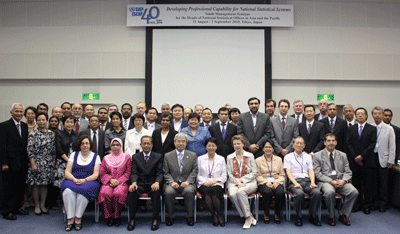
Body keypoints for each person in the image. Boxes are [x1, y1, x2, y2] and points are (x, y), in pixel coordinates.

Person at [313, 133, 358, 226]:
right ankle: (331, 216)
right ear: (324, 143)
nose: (331, 143)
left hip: (341, 181)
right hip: (326, 181)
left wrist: (344, 181)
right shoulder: (317, 155)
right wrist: (330, 181)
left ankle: (343, 214)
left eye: (333, 141)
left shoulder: (343, 155)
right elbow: (317, 174)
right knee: (330, 192)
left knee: (354, 192)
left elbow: (348, 172)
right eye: (329, 141)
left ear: (336, 142)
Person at [61, 135, 101, 231]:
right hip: (73, 180)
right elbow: (67, 172)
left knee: (83, 191)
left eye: (87, 143)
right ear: (79, 145)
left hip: (89, 181)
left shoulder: (96, 156)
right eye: (82, 143)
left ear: (90, 145)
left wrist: (84, 180)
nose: (85, 145)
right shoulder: (74, 155)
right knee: (67, 191)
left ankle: (78, 218)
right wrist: (74, 179)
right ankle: (70, 219)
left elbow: (96, 175)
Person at [0, 103, 30, 220]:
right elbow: (2, 146)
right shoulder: (4, 126)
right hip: (9, 163)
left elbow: (25, 145)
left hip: (22, 163)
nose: (19, 114)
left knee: (20, 187)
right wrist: (3, 163)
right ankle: (7, 211)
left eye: (21, 112)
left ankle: (17, 207)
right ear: (11, 112)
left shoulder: (24, 126)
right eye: (16, 111)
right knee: (9, 188)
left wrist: (27, 161)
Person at [284, 136, 321, 226]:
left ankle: (312, 216)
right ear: (293, 145)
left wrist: (312, 182)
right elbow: (288, 172)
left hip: (307, 181)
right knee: (299, 194)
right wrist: (295, 183)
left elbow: (311, 170)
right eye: (297, 143)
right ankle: (299, 216)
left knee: (317, 192)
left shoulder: (308, 157)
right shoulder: (288, 157)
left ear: (304, 145)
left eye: (301, 143)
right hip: (294, 182)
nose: (299, 145)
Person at [128, 136, 163, 231]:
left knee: (156, 191)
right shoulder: (135, 157)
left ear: (152, 145)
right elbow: (134, 172)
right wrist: (134, 182)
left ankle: (155, 219)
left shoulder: (158, 156)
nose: (146, 145)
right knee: (132, 191)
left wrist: (156, 182)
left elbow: (160, 172)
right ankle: (132, 219)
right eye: (144, 143)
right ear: (140, 145)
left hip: (152, 183)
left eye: (148, 143)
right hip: (140, 183)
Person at [163, 133, 198, 226]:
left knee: (189, 191)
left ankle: (190, 216)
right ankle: (170, 216)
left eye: (183, 141)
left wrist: (188, 182)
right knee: (168, 192)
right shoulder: (167, 155)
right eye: (179, 141)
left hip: (187, 183)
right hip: (172, 183)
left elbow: (195, 171)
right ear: (174, 143)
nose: (181, 143)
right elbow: (165, 172)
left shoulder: (192, 155)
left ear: (186, 143)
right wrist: (171, 182)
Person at [346, 107, 376, 214]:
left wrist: (362, 156)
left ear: (366, 116)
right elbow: (348, 144)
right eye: (358, 114)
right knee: (356, 184)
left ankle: (367, 205)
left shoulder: (372, 129)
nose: (360, 116)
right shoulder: (351, 128)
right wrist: (355, 157)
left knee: (368, 185)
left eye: (362, 114)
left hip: (367, 161)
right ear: (355, 116)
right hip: (354, 161)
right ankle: (357, 204)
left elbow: (372, 144)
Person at [26, 112, 56, 215]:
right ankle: (37, 206)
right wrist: (33, 164)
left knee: (45, 185)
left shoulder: (50, 133)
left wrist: (53, 161)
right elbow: (29, 150)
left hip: (47, 162)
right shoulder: (32, 133)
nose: (41, 122)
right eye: (39, 120)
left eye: (43, 120)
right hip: (36, 162)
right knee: (36, 185)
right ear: (36, 121)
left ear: (46, 121)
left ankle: (43, 205)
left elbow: (53, 149)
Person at [98, 138, 131, 227]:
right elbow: (102, 172)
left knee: (118, 193)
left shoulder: (127, 157)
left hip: (122, 182)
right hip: (109, 182)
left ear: (121, 146)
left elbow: (128, 173)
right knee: (105, 192)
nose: (115, 147)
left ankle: (117, 217)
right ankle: (108, 217)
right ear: (110, 146)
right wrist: (111, 180)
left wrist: (118, 181)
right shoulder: (106, 158)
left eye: (117, 145)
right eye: (113, 145)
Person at [226, 135, 257, 229]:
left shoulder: (250, 156)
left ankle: (247, 218)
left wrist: (242, 180)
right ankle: (249, 215)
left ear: (243, 144)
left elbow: (254, 172)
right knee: (232, 194)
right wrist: (238, 182)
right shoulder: (229, 157)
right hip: (234, 181)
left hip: (249, 181)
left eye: (239, 143)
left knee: (240, 192)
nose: (237, 146)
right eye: (235, 144)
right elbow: (229, 173)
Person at [197, 138, 227, 227]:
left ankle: (219, 215)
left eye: (213, 145)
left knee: (215, 192)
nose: (211, 147)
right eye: (209, 145)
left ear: (216, 147)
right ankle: (214, 216)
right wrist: (205, 182)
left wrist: (215, 181)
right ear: (205, 147)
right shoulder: (200, 159)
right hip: (203, 183)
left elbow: (224, 175)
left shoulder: (221, 159)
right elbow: (197, 174)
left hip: (217, 182)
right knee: (206, 192)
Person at [255, 139, 285, 224]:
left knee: (280, 192)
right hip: (263, 182)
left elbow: (282, 174)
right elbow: (257, 175)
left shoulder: (279, 159)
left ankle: (277, 213)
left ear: (273, 149)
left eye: (270, 147)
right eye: (266, 147)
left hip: (276, 181)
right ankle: (266, 213)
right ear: (263, 149)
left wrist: (277, 182)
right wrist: (265, 182)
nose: (268, 149)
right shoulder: (258, 160)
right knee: (267, 192)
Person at [371, 106, 395, 212]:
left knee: (383, 183)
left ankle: (383, 203)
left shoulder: (389, 129)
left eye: (379, 113)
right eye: (375, 113)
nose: (377, 115)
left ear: (382, 115)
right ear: (372, 115)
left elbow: (392, 146)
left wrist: (391, 160)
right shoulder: (370, 127)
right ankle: (375, 202)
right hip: (372, 157)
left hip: (384, 159)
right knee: (373, 182)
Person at [54, 115, 79, 189]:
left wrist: (73, 161)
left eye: (71, 122)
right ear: (63, 123)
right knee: (61, 184)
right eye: (67, 122)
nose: (69, 124)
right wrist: (68, 160)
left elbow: (78, 149)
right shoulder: (59, 134)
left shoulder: (77, 135)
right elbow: (59, 149)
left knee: (72, 182)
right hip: (62, 162)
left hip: (74, 162)